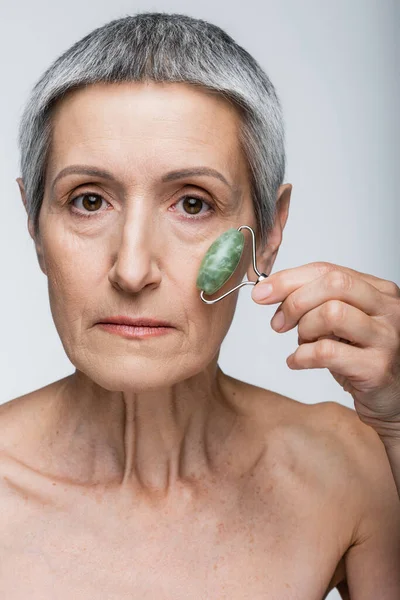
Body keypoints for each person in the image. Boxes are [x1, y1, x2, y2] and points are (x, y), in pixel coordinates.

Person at [1, 12, 399, 599]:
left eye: (193, 204)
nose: (132, 269)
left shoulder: (346, 469)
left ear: (266, 232)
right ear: (34, 224)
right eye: (89, 200)